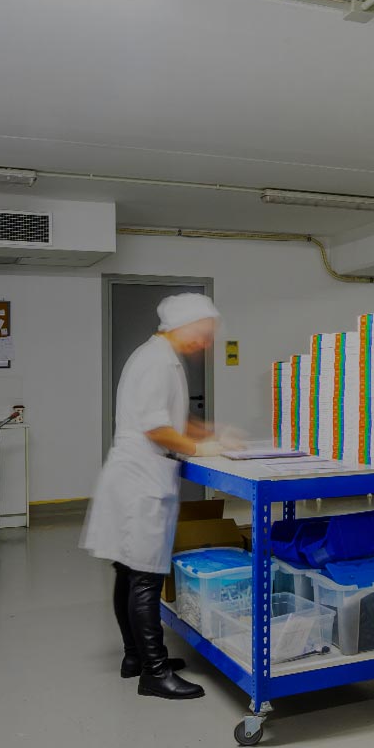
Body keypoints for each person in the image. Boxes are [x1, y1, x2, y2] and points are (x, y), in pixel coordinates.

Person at [83, 293, 224, 700]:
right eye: (204, 333)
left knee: (128, 571)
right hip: (141, 479)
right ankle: (155, 673)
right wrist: (201, 448)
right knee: (144, 577)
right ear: (184, 326)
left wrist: (207, 433)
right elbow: (157, 428)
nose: (207, 342)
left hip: (135, 476)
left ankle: (136, 657)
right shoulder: (158, 362)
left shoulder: (157, 356)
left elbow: (170, 416)